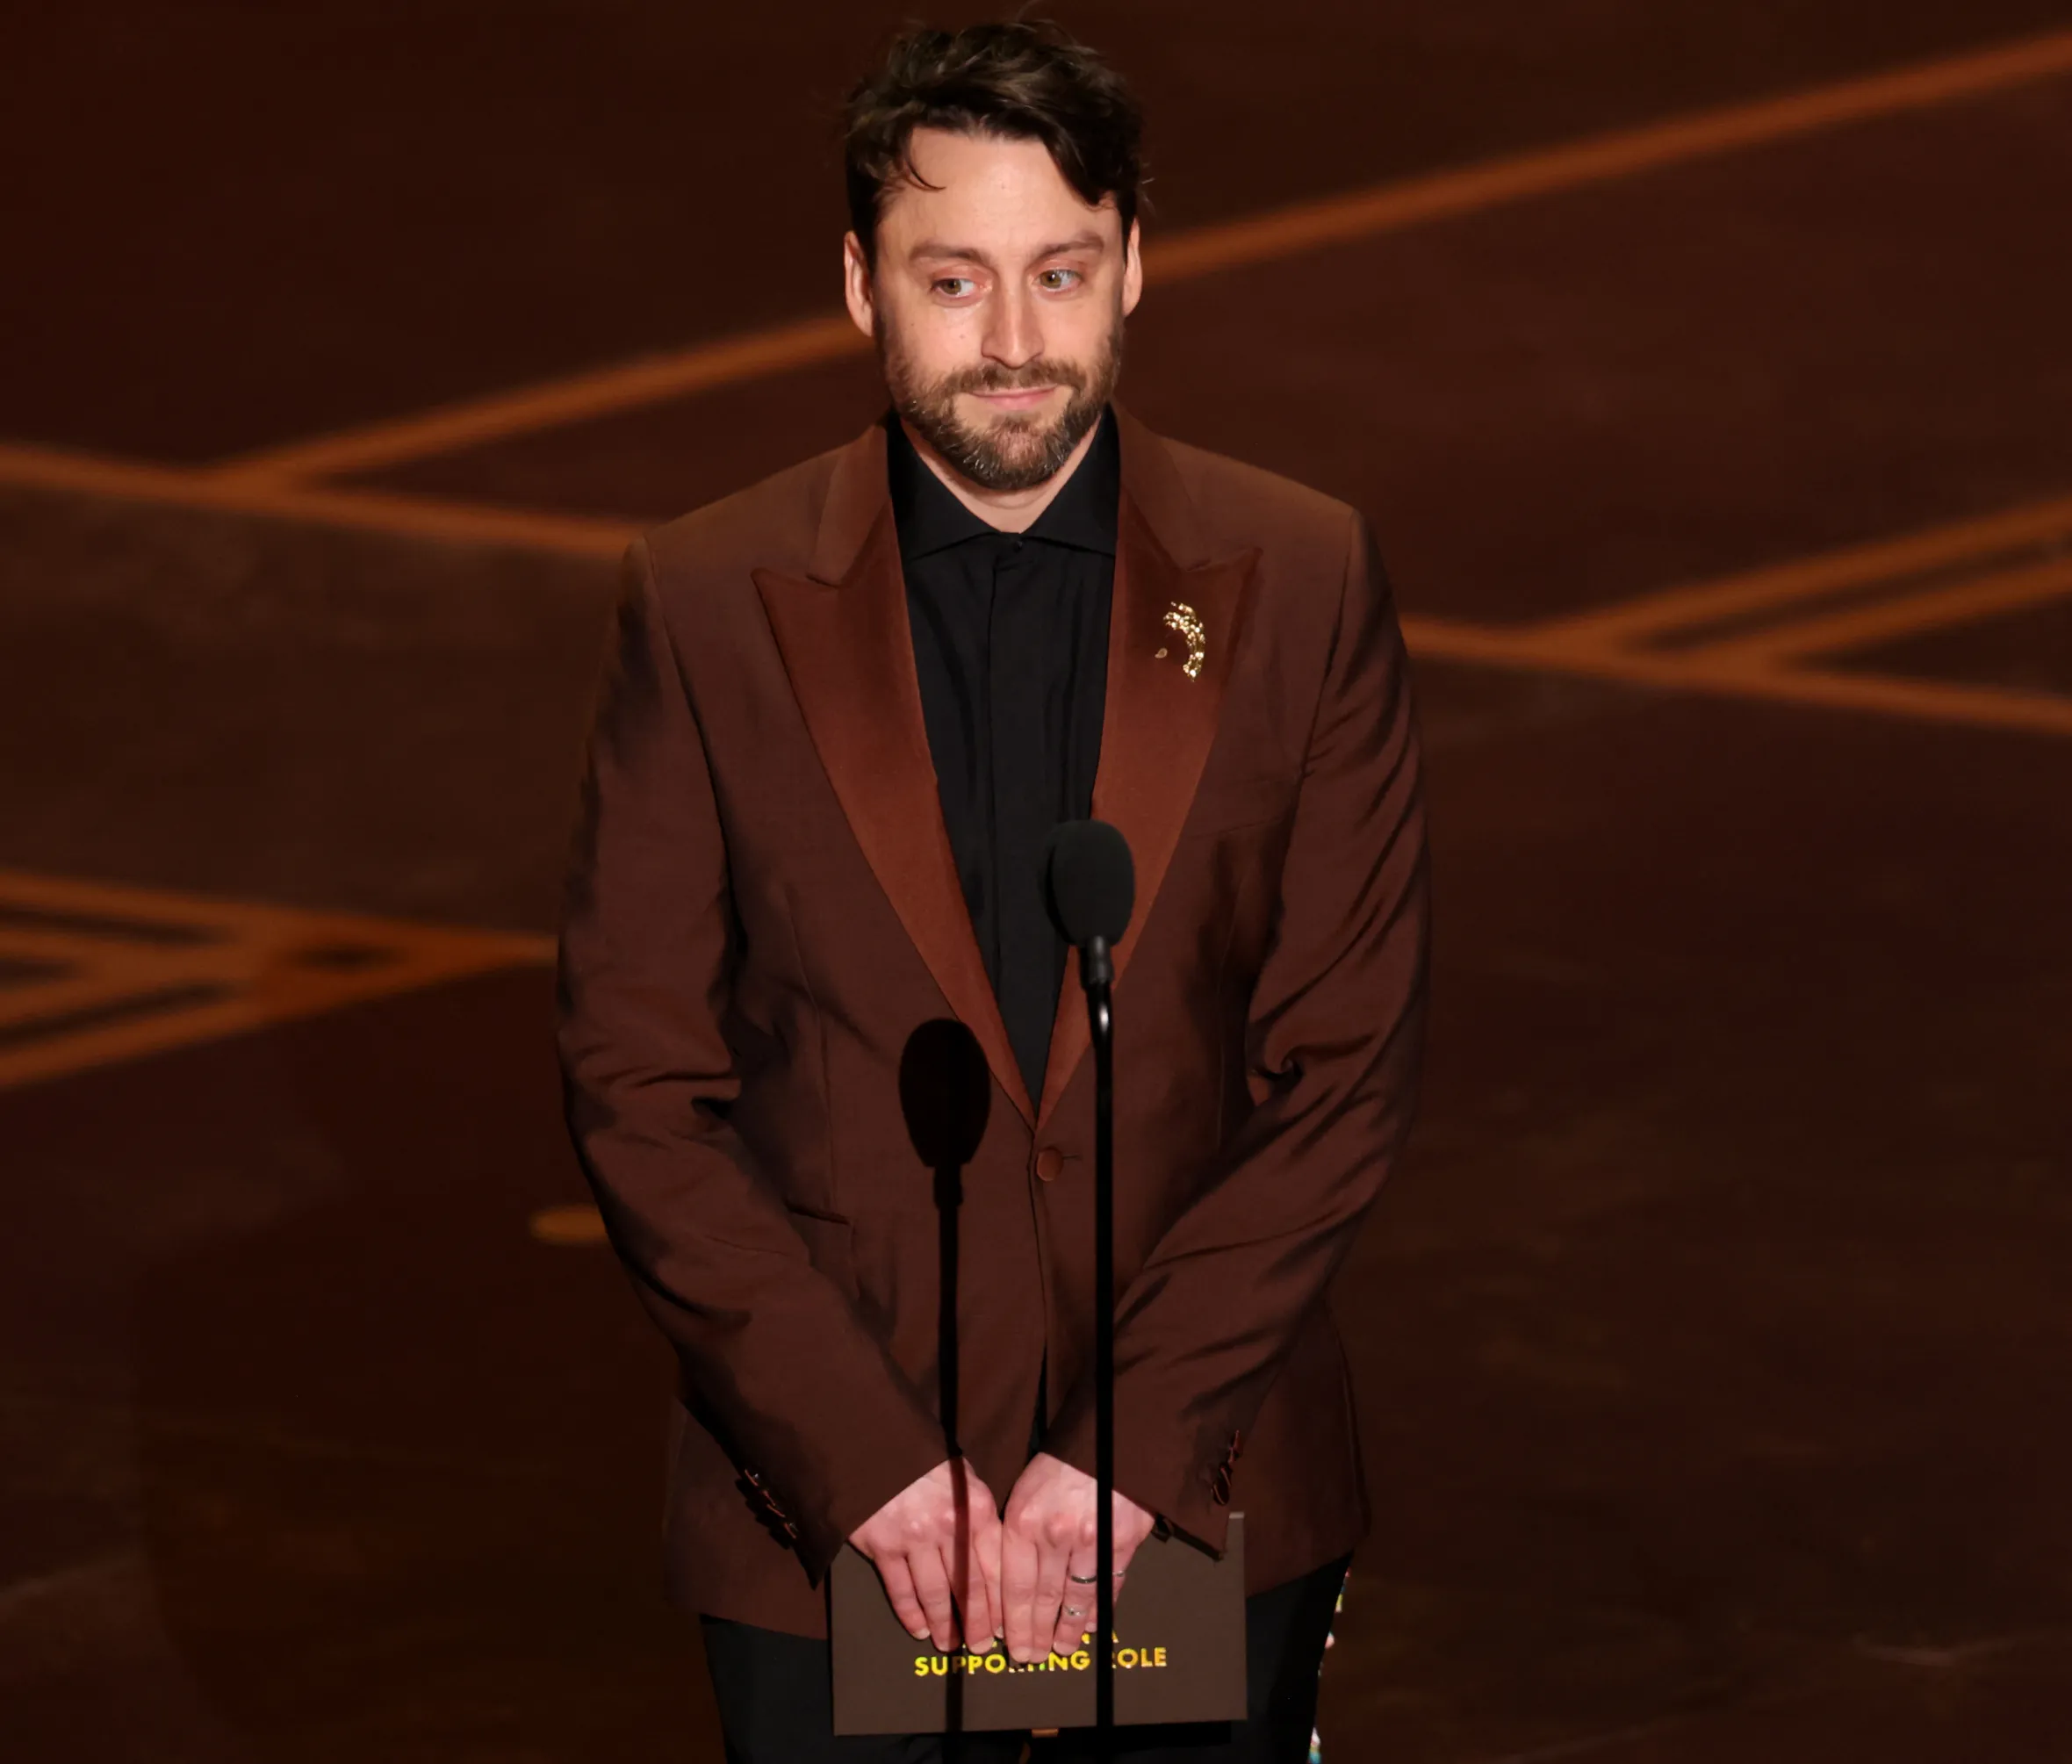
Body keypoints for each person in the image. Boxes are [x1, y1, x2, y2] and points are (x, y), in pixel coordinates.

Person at [556, 21, 1428, 1762]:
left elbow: (1339, 1066)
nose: (1016, 341)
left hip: (1195, 1485)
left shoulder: (1298, 578)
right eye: (954, 279)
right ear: (861, 288)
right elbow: (637, 1077)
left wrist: (1119, 1456)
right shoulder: (712, 599)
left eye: (1061, 273)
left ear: (1132, 271)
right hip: (833, 1525)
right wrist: (872, 1468)